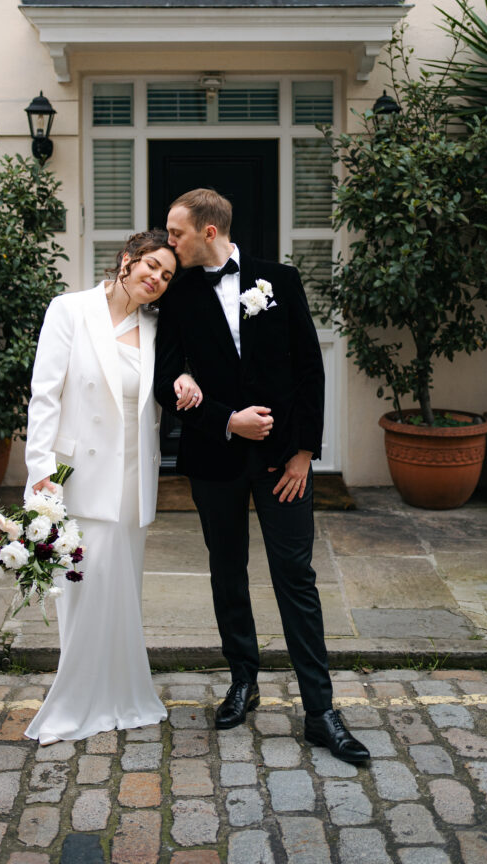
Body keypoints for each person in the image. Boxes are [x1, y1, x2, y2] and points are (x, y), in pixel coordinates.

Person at [154, 188, 369, 765]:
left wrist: (305, 455)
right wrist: (224, 418)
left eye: (175, 233)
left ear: (208, 230)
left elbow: (309, 370)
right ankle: (242, 681)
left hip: (284, 466)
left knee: (294, 576)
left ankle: (321, 711)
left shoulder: (280, 279)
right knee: (227, 573)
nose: (168, 242)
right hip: (214, 460)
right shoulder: (175, 296)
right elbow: (165, 382)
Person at [24, 230, 202, 745]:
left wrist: (188, 379)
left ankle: (123, 695)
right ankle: (77, 701)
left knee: (121, 590)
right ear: (126, 260)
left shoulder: (157, 326)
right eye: (151, 266)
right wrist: (39, 472)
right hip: (76, 475)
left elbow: (174, 377)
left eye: (167, 275)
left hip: (131, 478)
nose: (156, 279)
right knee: (83, 589)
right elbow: (44, 395)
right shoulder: (70, 309)